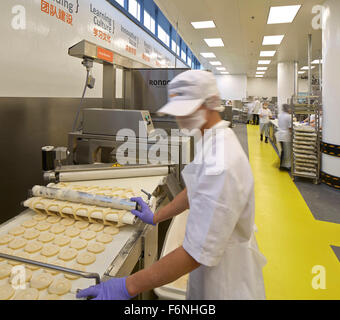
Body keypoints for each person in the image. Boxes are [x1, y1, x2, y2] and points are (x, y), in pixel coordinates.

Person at [77, 70, 266, 300]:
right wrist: (156, 217)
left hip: (225, 283)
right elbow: (193, 190)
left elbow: (195, 254)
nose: (179, 119)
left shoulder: (223, 161)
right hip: (210, 269)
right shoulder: (212, 139)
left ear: (208, 105)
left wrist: (128, 285)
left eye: (185, 111)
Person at [277, 104, 292, 171]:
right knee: (287, 151)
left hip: (280, 134)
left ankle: (281, 165)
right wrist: (291, 133)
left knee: (283, 150)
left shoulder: (279, 115)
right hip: (286, 135)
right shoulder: (288, 116)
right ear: (287, 109)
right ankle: (286, 166)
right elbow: (290, 127)